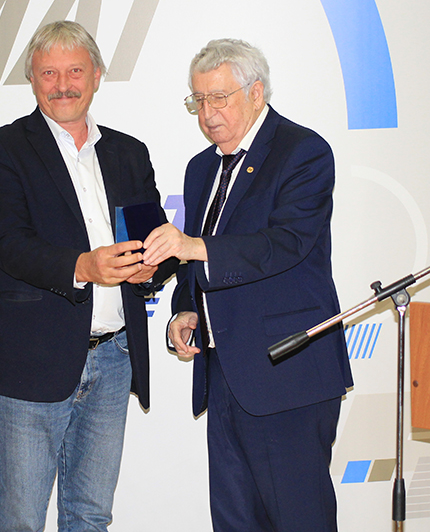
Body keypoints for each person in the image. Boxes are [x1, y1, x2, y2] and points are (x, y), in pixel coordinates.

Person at [142, 38, 353, 532]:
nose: (207, 113)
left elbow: (285, 243)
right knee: (234, 522)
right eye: (199, 100)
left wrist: (192, 246)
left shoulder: (302, 152)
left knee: (300, 520)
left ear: (256, 93)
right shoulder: (201, 168)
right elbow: (198, 260)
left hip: (288, 374)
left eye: (219, 98)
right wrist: (186, 308)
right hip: (225, 377)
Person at [0, 20, 176, 532]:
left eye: (75, 71)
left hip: (114, 359)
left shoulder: (128, 152)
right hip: (31, 360)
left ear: (97, 75)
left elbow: (153, 239)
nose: (62, 84)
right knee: (20, 521)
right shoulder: (2, 148)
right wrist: (83, 266)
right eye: (49, 73)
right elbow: (7, 245)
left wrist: (153, 266)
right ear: (32, 80)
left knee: (90, 517)